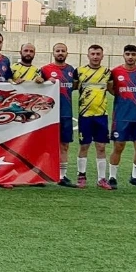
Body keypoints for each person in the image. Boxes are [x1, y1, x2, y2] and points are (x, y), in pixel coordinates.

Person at [107, 44, 136, 190]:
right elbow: (111, 89)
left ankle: (135, 176)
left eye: (133, 54)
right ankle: (112, 177)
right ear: (123, 55)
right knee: (118, 146)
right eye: (127, 54)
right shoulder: (115, 72)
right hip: (121, 117)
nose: (130, 57)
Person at [75, 44, 112, 189]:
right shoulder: (79, 71)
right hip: (85, 115)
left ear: (102, 56)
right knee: (84, 146)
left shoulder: (107, 72)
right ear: (88, 55)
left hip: (101, 115)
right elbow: (72, 87)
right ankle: (81, 176)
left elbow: (112, 90)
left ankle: (101, 179)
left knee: (101, 147)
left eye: (98, 54)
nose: (95, 57)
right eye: (93, 54)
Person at [40, 43, 76, 187]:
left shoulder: (71, 70)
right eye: (58, 51)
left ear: (67, 53)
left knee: (64, 145)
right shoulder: (45, 70)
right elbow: (38, 85)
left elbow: (76, 86)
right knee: (45, 145)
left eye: (63, 51)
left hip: (66, 113)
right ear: (53, 53)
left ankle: (62, 176)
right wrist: (45, 82)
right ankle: (42, 174)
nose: (60, 53)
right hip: (49, 114)